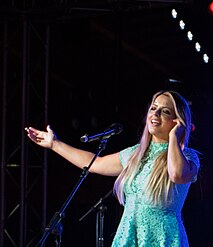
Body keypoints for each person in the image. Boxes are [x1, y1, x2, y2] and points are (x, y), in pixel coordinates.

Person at [25, 90, 200, 247]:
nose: (156, 113)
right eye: (154, 108)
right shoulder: (135, 154)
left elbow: (177, 174)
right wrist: (55, 144)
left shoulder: (189, 157)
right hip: (129, 236)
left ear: (178, 122)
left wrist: (175, 137)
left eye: (166, 111)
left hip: (164, 239)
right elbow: (96, 163)